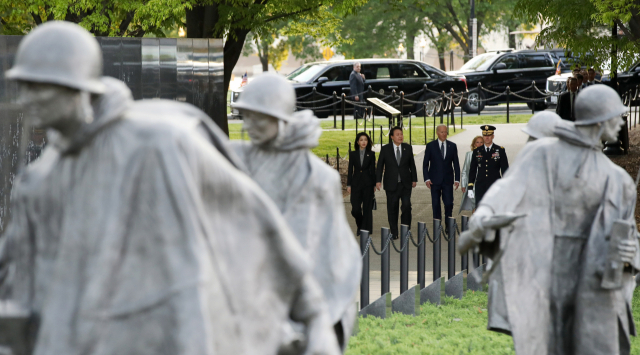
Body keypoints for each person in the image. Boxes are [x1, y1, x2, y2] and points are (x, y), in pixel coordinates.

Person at [0, 22, 340, 355]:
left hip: (166, 334)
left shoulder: (161, 143)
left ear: (75, 87)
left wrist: (314, 317)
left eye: (38, 86)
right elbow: (14, 266)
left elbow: (256, 223)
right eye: (23, 85)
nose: (26, 97)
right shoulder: (40, 180)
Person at [459, 84, 638, 355]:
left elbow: (629, 238)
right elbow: (506, 189)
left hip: (592, 277)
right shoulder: (543, 153)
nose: (622, 122)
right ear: (601, 120)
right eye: (617, 116)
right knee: (542, 344)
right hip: (543, 267)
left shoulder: (618, 181)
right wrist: (483, 217)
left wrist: (630, 255)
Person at [230, 73, 361, 352]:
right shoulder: (237, 160)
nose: (250, 125)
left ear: (280, 118)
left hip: (299, 288)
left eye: (259, 117)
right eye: (246, 116)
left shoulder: (318, 177)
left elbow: (323, 248)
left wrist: (312, 313)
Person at [376, 127, 418, 239]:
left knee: (406, 206)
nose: (400, 136)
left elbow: (412, 165)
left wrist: (414, 179)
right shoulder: (385, 149)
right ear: (392, 137)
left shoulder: (408, 148)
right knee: (392, 208)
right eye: (397, 134)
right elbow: (380, 165)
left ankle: (406, 230)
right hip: (391, 184)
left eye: (401, 134)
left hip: (405, 184)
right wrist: (378, 181)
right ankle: (394, 232)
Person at [423, 124, 460, 220]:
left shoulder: (452, 146)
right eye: (442, 132)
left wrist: (457, 179)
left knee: (448, 203)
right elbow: (425, 164)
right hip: (434, 181)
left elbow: (456, 164)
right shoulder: (430, 146)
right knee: (435, 205)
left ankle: (448, 224)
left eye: (445, 132)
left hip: (447, 180)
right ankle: (437, 226)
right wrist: (426, 178)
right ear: (437, 133)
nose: (444, 134)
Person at [467, 125, 508, 205]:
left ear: (493, 136)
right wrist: (470, 187)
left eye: (489, 135)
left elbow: (505, 170)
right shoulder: (477, 151)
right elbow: (473, 170)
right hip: (480, 186)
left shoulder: (500, 150)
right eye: (485, 135)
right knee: (480, 209)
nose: (487, 137)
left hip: (495, 186)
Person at [347, 132, 376, 236]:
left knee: (367, 208)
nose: (364, 142)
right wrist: (348, 185)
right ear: (358, 142)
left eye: (365, 140)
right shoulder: (353, 154)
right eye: (361, 140)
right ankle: (360, 225)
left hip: (368, 184)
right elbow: (350, 170)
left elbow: (373, 170)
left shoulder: (371, 154)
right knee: (355, 209)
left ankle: (364, 229)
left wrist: (374, 184)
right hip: (355, 184)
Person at [459, 135, 484, 213]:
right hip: (472, 185)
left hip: (483, 184)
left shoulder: (487, 154)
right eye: (477, 142)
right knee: (475, 206)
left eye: (481, 142)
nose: (479, 144)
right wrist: (463, 184)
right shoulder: (469, 154)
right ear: (474, 144)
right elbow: (465, 171)